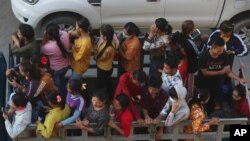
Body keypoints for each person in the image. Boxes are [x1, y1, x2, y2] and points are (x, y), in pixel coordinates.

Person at [196, 37, 246, 115]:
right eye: (219, 50)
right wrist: (221, 72)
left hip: (216, 84)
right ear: (213, 48)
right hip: (203, 85)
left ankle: (209, 115)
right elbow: (205, 72)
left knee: (211, 102)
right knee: (200, 102)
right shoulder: (203, 56)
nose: (221, 52)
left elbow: (227, 71)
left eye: (222, 49)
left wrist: (238, 78)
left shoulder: (224, 54)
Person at [171, 20, 201, 100]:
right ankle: (187, 99)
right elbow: (197, 53)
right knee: (189, 84)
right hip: (189, 66)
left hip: (178, 63)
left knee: (179, 81)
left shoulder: (176, 35)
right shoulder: (189, 42)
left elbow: (173, 45)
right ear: (191, 30)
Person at [40, 23, 70, 98]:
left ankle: (62, 96)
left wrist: (44, 38)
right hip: (66, 65)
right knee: (61, 80)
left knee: (59, 84)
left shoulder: (49, 47)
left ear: (48, 35)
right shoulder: (65, 34)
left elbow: (41, 49)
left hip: (57, 69)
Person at [139, 73, 168, 140]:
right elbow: (142, 105)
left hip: (159, 121)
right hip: (144, 120)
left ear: (159, 88)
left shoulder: (164, 95)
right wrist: (146, 116)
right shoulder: (143, 90)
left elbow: (165, 111)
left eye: (155, 90)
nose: (151, 91)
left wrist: (161, 129)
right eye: (150, 88)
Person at [94, 24, 115, 99]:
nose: (100, 35)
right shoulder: (111, 40)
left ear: (105, 36)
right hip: (108, 67)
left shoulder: (107, 49)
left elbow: (98, 58)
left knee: (99, 85)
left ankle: (99, 98)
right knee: (108, 83)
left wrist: (95, 48)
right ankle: (112, 96)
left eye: (101, 34)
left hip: (103, 69)